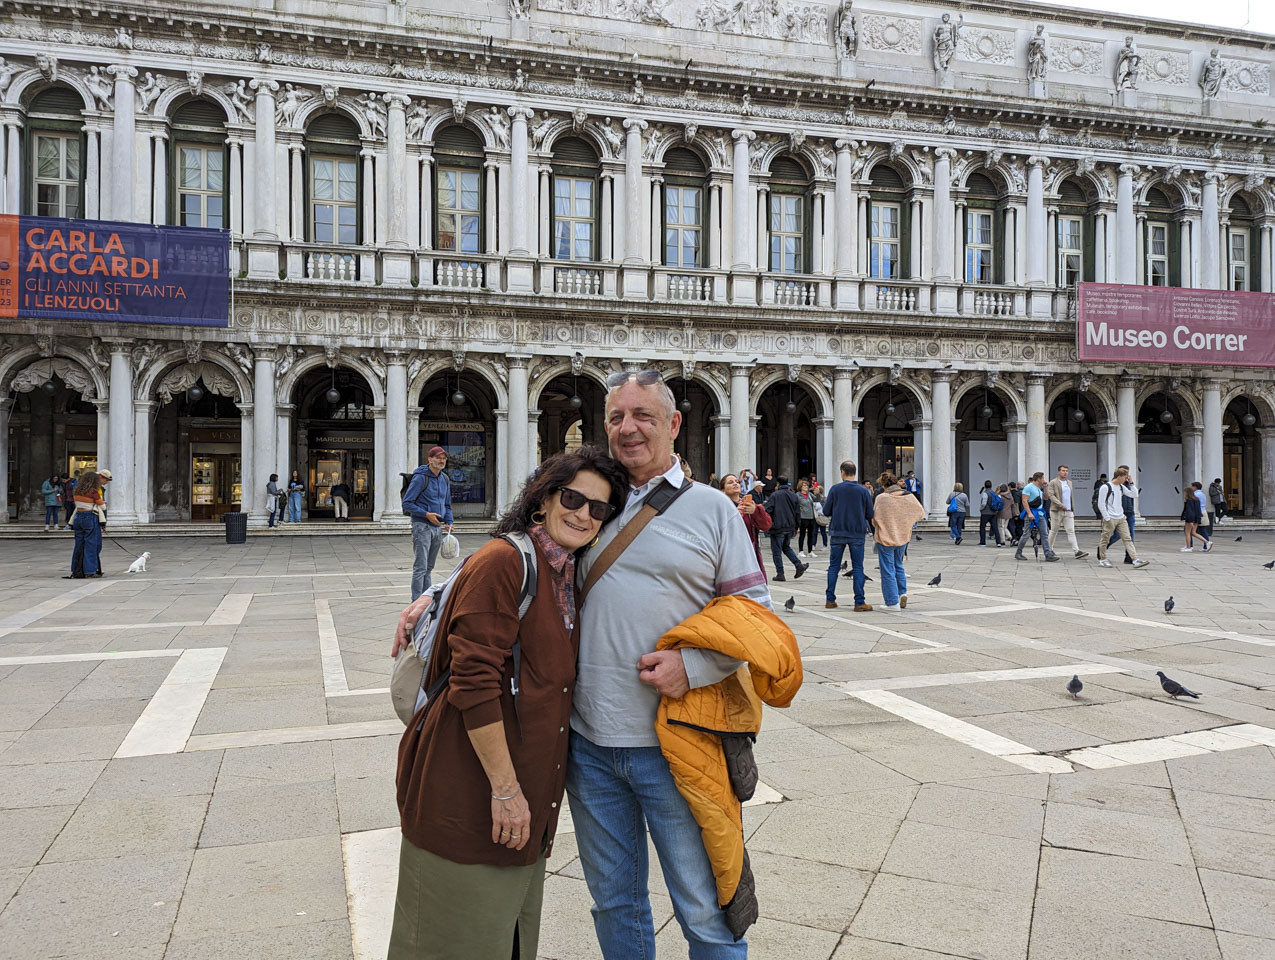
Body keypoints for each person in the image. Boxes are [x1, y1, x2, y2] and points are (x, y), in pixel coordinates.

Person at [388, 447, 630, 960]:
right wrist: (505, 791)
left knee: (504, 938)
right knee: (452, 940)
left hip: (521, 806)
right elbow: (474, 683)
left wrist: (433, 592)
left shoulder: (563, 570)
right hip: (471, 793)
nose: (584, 514)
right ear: (543, 499)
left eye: (599, 508)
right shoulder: (507, 561)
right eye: (572, 498)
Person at [568, 369, 773, 959]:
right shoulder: (590, 501)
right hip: (589, 746)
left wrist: (696, 667)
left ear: (674, 424)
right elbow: (522, 550)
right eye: (615, 417)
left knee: (705, 912)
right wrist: (439, 594)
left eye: (643, 416)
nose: (627, 429)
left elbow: (753, 614)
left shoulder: (712, 509)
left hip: (679, 744)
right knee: (615, 905)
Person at [404, 446, 455, 600]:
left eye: (444, 458)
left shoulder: (444, 478)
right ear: (430, 459)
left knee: (429, 567)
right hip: (422, 526)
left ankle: (426, 599)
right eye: (438, 458)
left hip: (437, 527)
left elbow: (447, 504)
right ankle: (416, 600)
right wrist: (426, 514)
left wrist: (449, 521)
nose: (441, 461)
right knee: (420, 566)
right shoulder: (420, 477)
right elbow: (407, 503)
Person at [822, 460, 874, 611]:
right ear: (855, 473)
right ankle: (859, 602)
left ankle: (830, 600)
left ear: (842, 472)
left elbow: (826, 511)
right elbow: (870, 513)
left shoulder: (835, 489)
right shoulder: (863, 491)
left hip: (838, 531)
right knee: (858, 567)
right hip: (857, 533)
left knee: (833, 567)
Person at [872, 472, 926, 611]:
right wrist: (906, 520)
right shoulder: (908, 497)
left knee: (887, 569)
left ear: (884, 485)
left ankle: (892, 602)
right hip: (902, 536)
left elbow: (874, 518)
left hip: (885, 537)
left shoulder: (882, 498)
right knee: (899, 565)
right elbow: (920, 513)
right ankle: (902, 592)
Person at [720, 472, 772, 577]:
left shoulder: (749, 505)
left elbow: (766, 525)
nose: (735, 484)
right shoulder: (720, 507)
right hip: (729, 554)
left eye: (736, 481)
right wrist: (734, 513)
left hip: (749, 552)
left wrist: (755, 511)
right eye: (730, 482)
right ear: (723, 490)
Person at [1095, 468, 1149, 568]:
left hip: (1121, 517)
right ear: (1119, 477)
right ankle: (1102, 559)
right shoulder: (1106, 487)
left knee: (1127, 538)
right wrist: (1107, 518)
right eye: (1125, 477)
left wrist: (1132, 483)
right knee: (1105, 539)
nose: (1126, 479)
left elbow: (1134, 494)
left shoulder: (1120, 487)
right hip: (1110, 517)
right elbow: (1101, 504)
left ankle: (1135, 559)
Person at [765, 476, 807, 582]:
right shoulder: (793, 495)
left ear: (778, 484)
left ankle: (780, 573)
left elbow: (768, 509)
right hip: (790, 526)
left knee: (777, 551)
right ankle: (798, 565)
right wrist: (797, 527)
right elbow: (798, 512)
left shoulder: (775, 495)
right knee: (786, 547)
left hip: (778, 527)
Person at [1046, 465, 1088, 559]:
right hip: (1057, 510)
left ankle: (1077, 551)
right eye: (1063, 471)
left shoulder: (1069, 483)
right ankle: (1049, 549)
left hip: (1068, 511)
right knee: (1054, 530)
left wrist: (1071, 508)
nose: (1065, 472)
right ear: (1059, 472)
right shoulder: (1053, 482)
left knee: (1071, 531)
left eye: (1066, 471)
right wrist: (1060, 504)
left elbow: (1070, 496)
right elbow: (1051, 496)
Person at [67, 471, 103, 579]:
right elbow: (102, 506)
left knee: (79, 545)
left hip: (78, 517)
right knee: (91, 545)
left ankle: (76, 569)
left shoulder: (76, 490)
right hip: (89, 516)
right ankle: (89, 570)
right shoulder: (93, 491)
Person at [1016, 471, 1059, 562]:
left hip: (1040, 513)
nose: (1044, 480)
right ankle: (1018, 552)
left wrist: (1046, 488)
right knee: (1026, 534)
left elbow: (1046, 498)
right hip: (1032, 513)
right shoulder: (1028, 488)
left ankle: (1047, 553)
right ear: (1038, 479)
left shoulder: (1039, 488)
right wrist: (1029, 513)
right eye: (1042, 478)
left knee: (1045, 533)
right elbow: (1024, 501)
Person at [1106, 466, 1139, 564]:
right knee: (1117, 535)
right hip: (1118, 514)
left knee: (1130, 535)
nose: (1127, 476)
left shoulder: (1127, 485)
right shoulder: (1114, 485)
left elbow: (1135, 494)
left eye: (1127, 474)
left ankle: (1129, 557)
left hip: (1130, 513)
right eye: (1125, 474)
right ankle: (1104, 545)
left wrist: (1132, 483)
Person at [1181, 485, 1211, 552]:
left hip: (1190, 518)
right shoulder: (1196, 499)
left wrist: (1190, 520)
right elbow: (1197, 510)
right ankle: (1207, 542)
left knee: (1187, 532)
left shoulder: (1189, 501)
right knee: (1193, 532)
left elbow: (1189, 511)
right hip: (1197, 517)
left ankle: (1189, 547)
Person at [795, 478, 818, 558]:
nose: (806, 487)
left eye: (807, 485)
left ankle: (810, 551)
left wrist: (817, 492)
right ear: (800, 487)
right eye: (804, 485)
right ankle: (801, 551)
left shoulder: (809, 494)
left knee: (811, 535)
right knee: (802, 534)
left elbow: (817, 499)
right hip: (803, 517)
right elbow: (795, 505)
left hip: (811, 517)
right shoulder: (797, 495)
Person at [977, 479, 1002, 547]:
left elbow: (983, 503)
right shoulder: (994, 493)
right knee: (995, 527)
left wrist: (981, 509)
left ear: (985, 486)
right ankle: (998, 542)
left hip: (985, 513)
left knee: (982, 527)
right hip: (993, 512)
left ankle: (983, 542)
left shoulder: (985, 493)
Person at [810, 479, 829, 550]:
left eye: (815, 490)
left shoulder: (823, 498)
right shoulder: (813, 497)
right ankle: (813, 544)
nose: (814, 491)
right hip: (815, 516)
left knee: (823, 532)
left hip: (821, 516)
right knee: (814, 532)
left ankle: (825, 545)